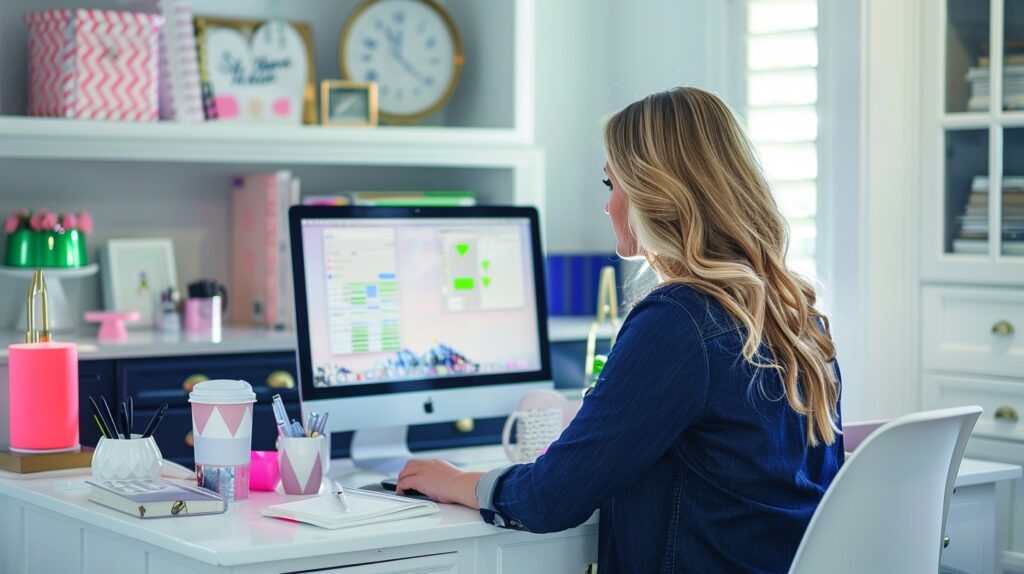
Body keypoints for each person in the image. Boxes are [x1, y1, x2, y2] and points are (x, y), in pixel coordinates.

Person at [397, 87, 844, 573]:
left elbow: (550, 499)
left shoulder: (680, 318)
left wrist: (457, 481)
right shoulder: (796, 315)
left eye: (612, 186)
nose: (607, 207)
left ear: (656, 194)